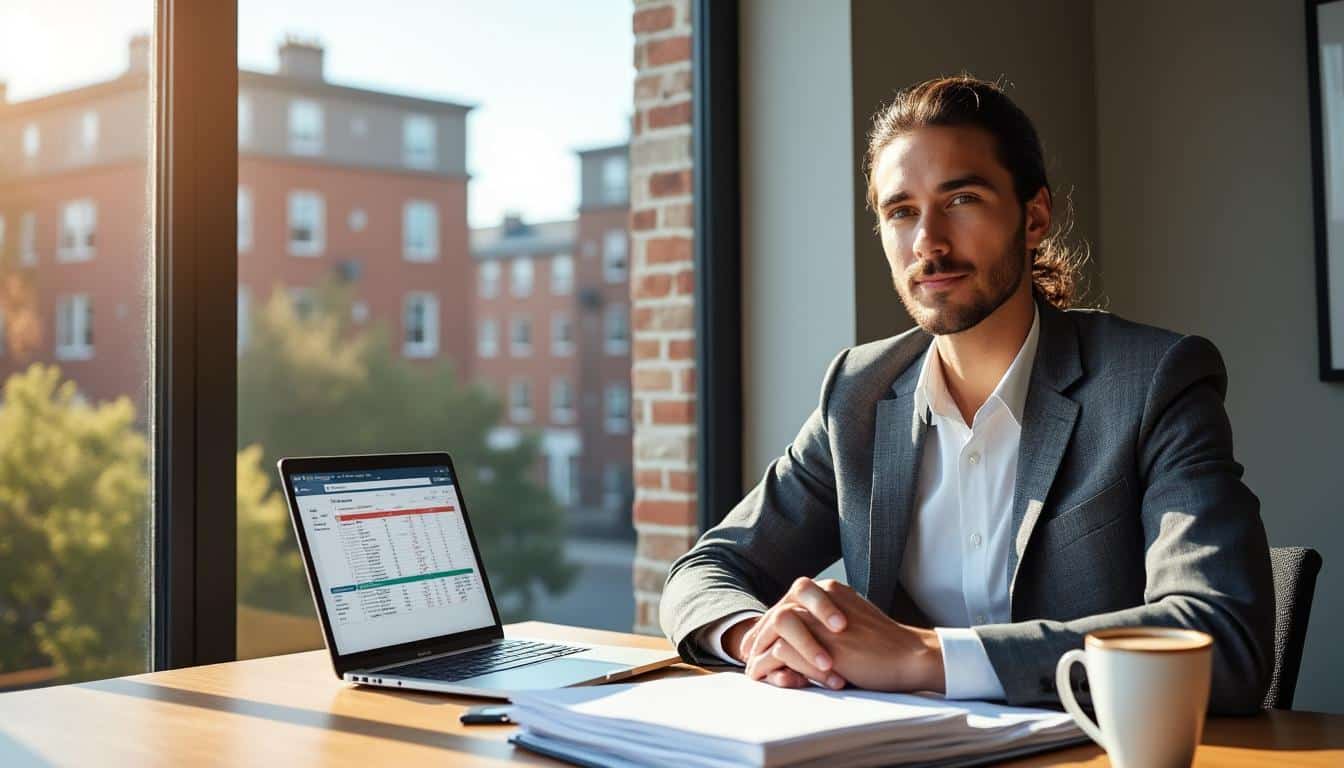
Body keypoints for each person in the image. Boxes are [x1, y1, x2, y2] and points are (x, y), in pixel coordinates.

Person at [658, 75, 1274, 714]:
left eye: (962, 199)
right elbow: (704, 573)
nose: (928, 240)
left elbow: (1221, 637)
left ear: (1034, 217)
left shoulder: (1154, 381)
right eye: (901, 211)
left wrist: (926, 657)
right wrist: (767, 636)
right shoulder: (858, 396)